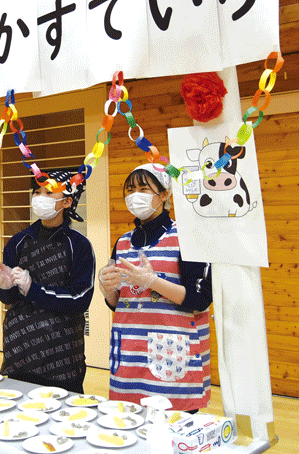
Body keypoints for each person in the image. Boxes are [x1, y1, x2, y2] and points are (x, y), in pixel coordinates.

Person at [98, 163, 212, 412]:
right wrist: (107, 290)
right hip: (129, 354)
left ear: (164, 195)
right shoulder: (123, 242)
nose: (134, 195)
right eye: (129, 190)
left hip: (171, 353)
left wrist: (154, 282)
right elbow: (121, 303)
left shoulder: (187, 237)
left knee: (174, 433)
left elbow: (201, 299)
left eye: (142, 188)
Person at [0, 170, 95, 394]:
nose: (40, 197)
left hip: (62, 356)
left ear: (67, 201)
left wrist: (34, 290)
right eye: (37, 192)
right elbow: (9, 299)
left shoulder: (78, 245)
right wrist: (3, 286)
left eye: (48, 192)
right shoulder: (18, 242)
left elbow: (80, 300)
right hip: (20, 351)